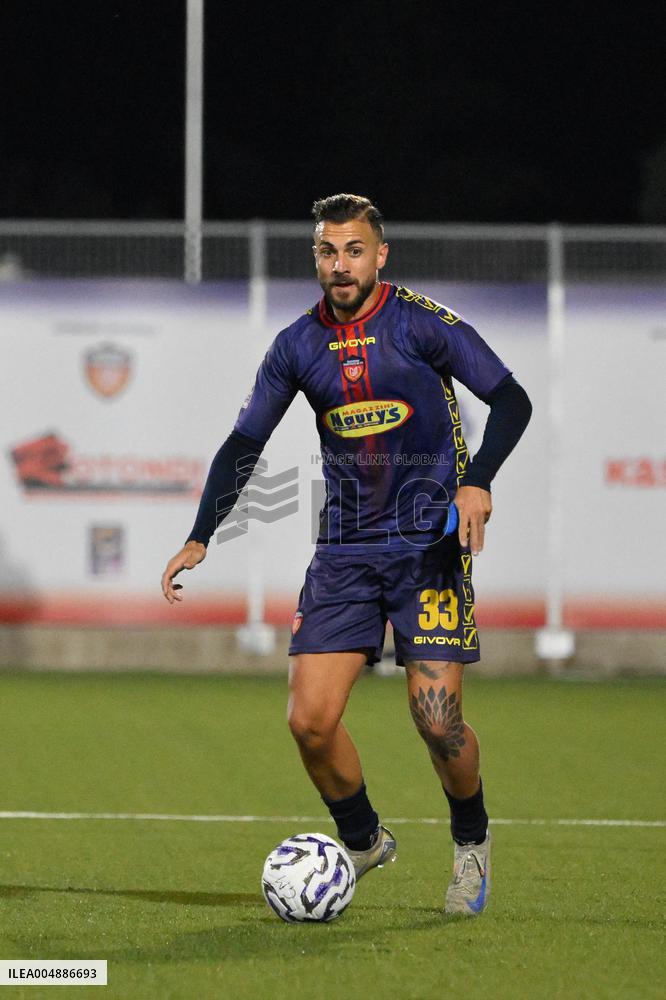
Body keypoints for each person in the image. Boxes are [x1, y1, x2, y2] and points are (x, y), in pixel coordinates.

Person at [161, 194, 532, 916]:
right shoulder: (298, 345)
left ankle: (471, 843)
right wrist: (202, 532)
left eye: (354, 250)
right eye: (328, 252)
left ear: (380, 254)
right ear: (317, 257)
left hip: (428, 545)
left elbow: (511, 400)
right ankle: (362, 841)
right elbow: (245, 445)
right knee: (309, 721)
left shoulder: (423, 323)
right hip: (346, 550)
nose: (340, 265)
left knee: (436, 720)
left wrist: (477, 480)